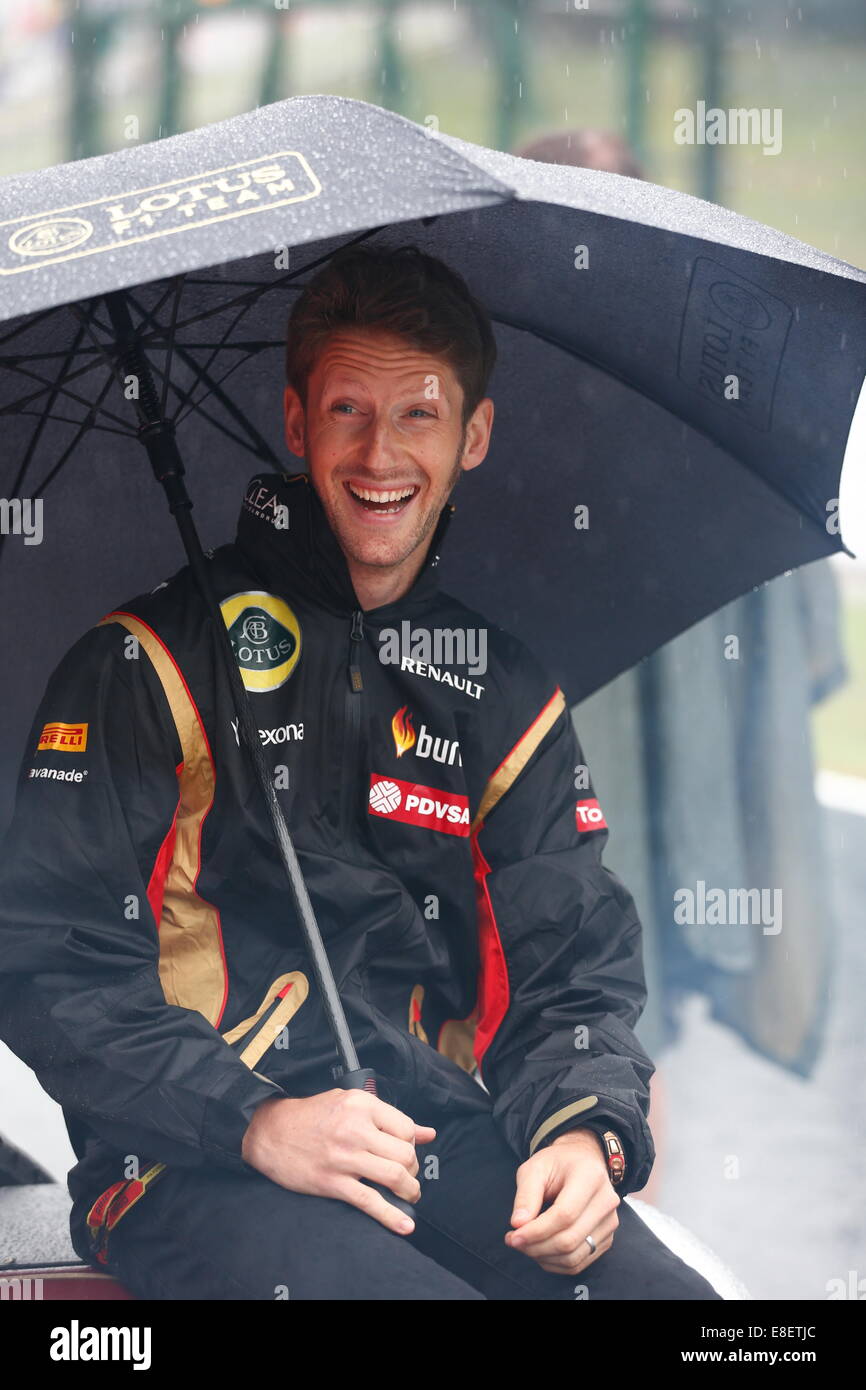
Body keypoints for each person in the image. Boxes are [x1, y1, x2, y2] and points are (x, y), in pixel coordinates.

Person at [0, 245, 720, 1300]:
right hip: (187, 1163)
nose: (380, 453)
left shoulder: (500, 692)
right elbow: (50, 967)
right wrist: (257, 1120)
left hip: (429, 1132)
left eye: (418, 415)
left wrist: (581, 1130)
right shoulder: (140, 663)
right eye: (347, 411)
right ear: (297, 424)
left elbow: (565, 960)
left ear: (471, 435)